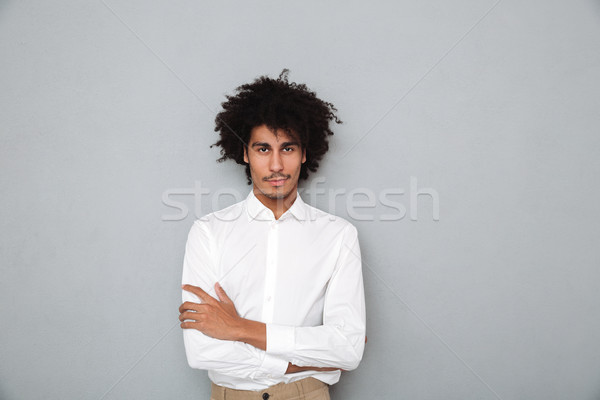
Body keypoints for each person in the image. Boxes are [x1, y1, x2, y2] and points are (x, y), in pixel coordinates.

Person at [178, 70, 366, 400]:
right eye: (263, 149)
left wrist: (240, 329)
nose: (276, 165)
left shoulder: (338, 236)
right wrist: (306, 361)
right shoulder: (208, 232)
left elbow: (348, 349)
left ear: (304, 153)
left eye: (288, 148)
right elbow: (202, 351)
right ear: (245, 153)